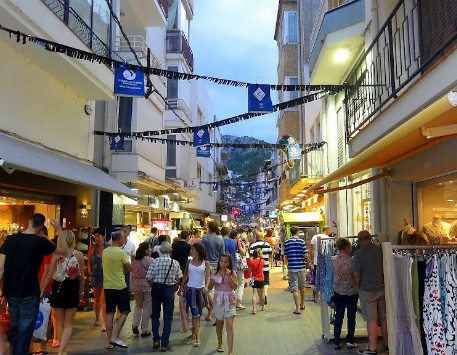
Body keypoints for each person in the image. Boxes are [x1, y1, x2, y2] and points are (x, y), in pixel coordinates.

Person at [0, 215, 68, 355]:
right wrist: (59, 230)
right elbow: (64, 252)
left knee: (15, 328)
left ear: (29, 221)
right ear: (41, 226)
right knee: (25, 331)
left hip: (11, 292)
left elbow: (1, 267)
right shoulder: (40, 242)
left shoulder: (10, 239)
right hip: (30, 291)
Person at [41, 230, 85, 355]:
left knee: (59, 322)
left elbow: (49, 274)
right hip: (72, 288)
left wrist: (42, 290)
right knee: (69, 323)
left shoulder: (56, 255)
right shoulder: (79, 255)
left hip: (58, 288)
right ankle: (62, 350)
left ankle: (62, 349)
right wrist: (81, 292)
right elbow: (81, 277)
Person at [353, 230, 388, 355]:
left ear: (360, 240)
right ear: (370, 239)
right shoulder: (380, 250)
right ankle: (387, 344)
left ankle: (372, 348)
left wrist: (358, 287)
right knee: (384, 318)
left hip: (367, 290)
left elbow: (356, 274)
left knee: (371, 319)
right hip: (382, 288)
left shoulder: (359, 254)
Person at [146, 242, 182, 352]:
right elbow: (179, 278)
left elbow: (148, 278)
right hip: (168, 289)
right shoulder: (174, 263)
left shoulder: (155, 261)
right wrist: (174, 289)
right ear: (170, 251)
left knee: (155, 315)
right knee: (168, 317)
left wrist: (154, 286)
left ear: (160, 251)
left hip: (156, 289)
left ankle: (156, 339)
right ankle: (164, 343)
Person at [102, 231, 132, 349]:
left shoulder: (105, 252)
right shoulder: (121, 252)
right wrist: (122, 271)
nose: (124, 240)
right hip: (120, 285)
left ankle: (110, 341)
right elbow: (129, 268)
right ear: (119, 239)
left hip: (108, 286)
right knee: (125, 311)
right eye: (123, 238)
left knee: (109, 313)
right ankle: (115, 336)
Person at [180, 243, 210, 347]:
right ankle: (197, 338)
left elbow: (208, 276)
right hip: (190, 290)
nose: (190, 251)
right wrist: (181, 287)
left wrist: (206, 286)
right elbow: (185, 275)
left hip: (201, 291)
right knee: (195, 313)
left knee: (199, 313)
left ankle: (194, 329)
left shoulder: (205, 263)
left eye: (192, 249)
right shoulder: (189, 262)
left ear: (197, 251)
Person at [208, 253, 238, 355]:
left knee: (229, 326)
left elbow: (235, 287)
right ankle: (220, 342)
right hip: (218, 301)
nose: (224, 264)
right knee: (219, 324)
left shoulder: (232, 273)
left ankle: (230, 351)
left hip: (230, 300)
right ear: (219, 262)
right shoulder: (215, 273)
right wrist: (211, 281)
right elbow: (209, 287)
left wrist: (230, 277)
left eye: (226, 262)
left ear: (229, 263)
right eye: (222, 261)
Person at [332, 237, 358, 350]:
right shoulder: (352, 260)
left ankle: (337, 341)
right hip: (352, 291)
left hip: (338, 290)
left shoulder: (333, 260)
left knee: (339, 315)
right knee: (351, 316)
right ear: (346, 247)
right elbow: (355, 275)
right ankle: (350, 341)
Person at [202, 221, 225, 321]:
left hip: (207, 265)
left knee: (209, 290)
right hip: (217, 266)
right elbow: (222, 254)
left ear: (209, 228)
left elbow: (202, 251)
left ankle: (212, 311)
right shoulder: (220, 239)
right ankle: (213, 313)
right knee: (217, 288)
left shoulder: (205, 238)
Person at [284, 226, 308, 314]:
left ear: (291, 232)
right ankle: (302, 304)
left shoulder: (287, 242)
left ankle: (297, 308)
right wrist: (308, 262)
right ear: (297, 232)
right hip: (301, 267)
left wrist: (287, 265)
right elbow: (305, 255)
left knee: (294, 288)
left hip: (292, 268)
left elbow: (285, 256)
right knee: (302, 287)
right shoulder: (301, 242)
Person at [87, 227, 107, 332]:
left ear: (103, 236)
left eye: (98, 236)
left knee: (104, 298)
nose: (96, 238)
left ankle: (104, 321)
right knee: (97, 297)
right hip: (95, 274)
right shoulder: (92, 248)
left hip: (106, 275)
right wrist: (90, 271)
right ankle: (97, 318)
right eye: (95, 236)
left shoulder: (107, 247)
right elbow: (89, 260)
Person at [131, 242, 153, 337]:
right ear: (145, 250)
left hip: (136, 285)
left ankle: (134, 324)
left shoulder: (135, 260)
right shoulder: (150, 260)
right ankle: (144, 329)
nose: (151, 250)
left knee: (138, 305)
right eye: (149, 248)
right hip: (147, 285)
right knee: (147, 306)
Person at [171, 230, 191, 332]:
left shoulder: (174, 245)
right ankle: (184, 309)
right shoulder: (188, 247)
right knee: (183, 290)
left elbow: (171, 256)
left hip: (174, 270)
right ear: (187, 237)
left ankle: (172, 306)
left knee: (174, 289)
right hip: (185, 270)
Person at [309, 226, 332, 302]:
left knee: (315, 279)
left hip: (316, 261)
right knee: (325, 278)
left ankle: (314, 296)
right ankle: (324, 296)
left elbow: (311, 250)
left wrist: (311, 260)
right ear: (327, 230)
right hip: (325, 262)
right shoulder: (328, 238)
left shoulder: (315, 237)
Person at [249, 231, 272, 305]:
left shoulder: (252, 246)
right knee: (266, 282)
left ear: (256, 237)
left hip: (255, 269)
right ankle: (264, 294)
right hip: (265, 267)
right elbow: (271, 256)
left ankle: (260, 299)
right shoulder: (268, 245)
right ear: (262, 237)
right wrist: (270, 265)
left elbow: (251, 258)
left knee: (256, 286)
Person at [230, 231, 246, 310]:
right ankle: (238, 302)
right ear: (236, 236)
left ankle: (231, 301)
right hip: (238, 265)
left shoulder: (227, 241)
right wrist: (244, 247)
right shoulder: (238, 242)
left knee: (231, 284)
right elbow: (243, 253)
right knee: (240, 283)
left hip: (230, 265)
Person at [247, 249, 265, 314]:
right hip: (261, 278)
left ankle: (254, 309)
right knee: (261, 294)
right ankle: (263, 306)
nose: (262, 254)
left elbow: (249, 271)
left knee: (254, 294)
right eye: (261, 253)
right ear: (258, 254)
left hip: (254, 279)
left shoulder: (251, 261)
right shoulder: (262, 261)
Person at [120, 225, 136, 291]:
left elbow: (133, 259)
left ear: (128, 233)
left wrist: (132, 269)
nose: (123, 233)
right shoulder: (113, 241)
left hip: (126, 269)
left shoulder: (131, 245)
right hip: (114, 269)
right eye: (122, 231)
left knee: (125, 288)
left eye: (125, 231)